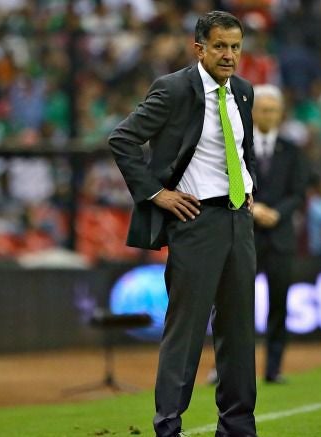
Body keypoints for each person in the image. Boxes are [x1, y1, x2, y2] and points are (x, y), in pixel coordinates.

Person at [108, 11, 257, 437]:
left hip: (238, 222)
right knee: (186, 331)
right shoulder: (174, 89)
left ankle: (238, 428)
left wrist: (248, 185)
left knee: (240, 331)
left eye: (235, 47)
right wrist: (157, 193)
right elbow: (122, 138)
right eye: (220, 47)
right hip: (196, 222)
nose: (229, 56)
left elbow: (241, 152)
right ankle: (168, 427)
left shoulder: (243, 92)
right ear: (200, 49)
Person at [251, 84, 308, 383]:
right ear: (252, 112)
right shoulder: (237, 145)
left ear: (281, 114)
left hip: (281, 238)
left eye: (273, 110)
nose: (269, 115)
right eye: (263, 109)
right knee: (236, 305)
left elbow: (299, 193)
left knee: (279, 305)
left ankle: (274, 368)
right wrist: (253, 208)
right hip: (246, 235)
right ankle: (229, 367)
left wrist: (277, 213)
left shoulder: (293, 149)